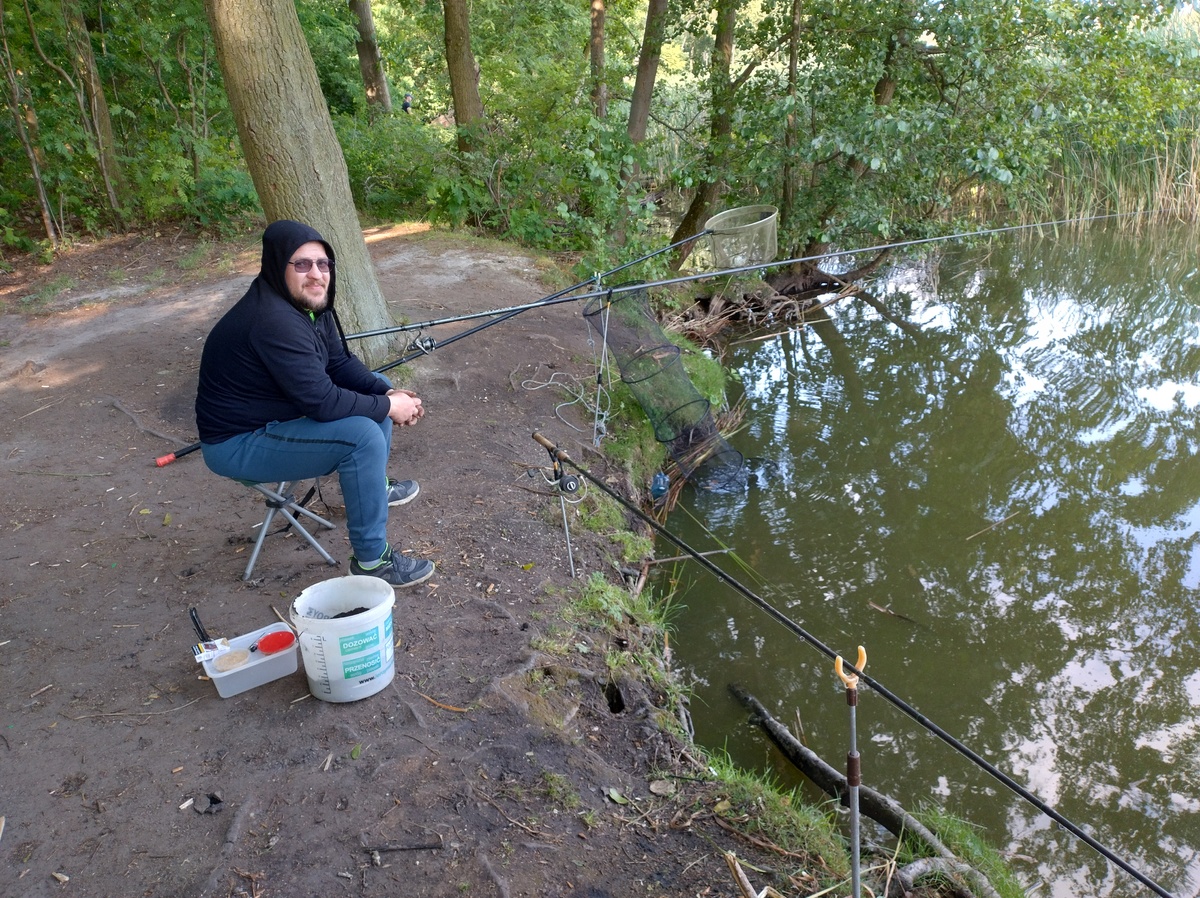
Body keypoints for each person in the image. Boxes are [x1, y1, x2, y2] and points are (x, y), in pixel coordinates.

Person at [195, 219, 435, 588]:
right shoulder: (273, 320)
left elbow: (338, 363)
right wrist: (390, 408)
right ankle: (372, 561)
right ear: (278, 265)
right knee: (363, 437)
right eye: (302, 264)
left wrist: (386, 394)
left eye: (323, 264)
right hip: (238, 442)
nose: (316, 274)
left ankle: (374, 487)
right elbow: (322, 402)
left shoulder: (308, 305)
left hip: (277, 415)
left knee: (381, 388)